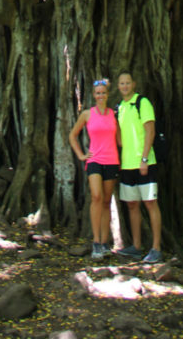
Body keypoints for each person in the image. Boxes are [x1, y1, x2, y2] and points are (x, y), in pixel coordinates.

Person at [69, 78, 121, 260]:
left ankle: (105, 242)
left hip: (112, 160)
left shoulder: (114, 114)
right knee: (96, 196)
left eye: (103, 93)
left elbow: (121, 139)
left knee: (107, 201)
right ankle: (96, 242)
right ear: (94, 95)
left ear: (107, 95)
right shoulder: (87, 114)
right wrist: (81, 155)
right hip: (94, 161)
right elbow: (72, 135)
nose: (100, 96)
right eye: (98, 93)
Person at [116, 70, 162, 264]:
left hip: (145, 163)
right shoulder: (120, 108)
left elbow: (150, 130)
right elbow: (119, 139)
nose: (125, 86)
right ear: (118, 87)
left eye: (127, 82)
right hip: (127, 165)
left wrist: (144, 159)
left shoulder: (142, 103)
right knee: (132, 205)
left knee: (150, 203)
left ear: (133, 84)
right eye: (121, 83)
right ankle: (136, 246)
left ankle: (156, 248)